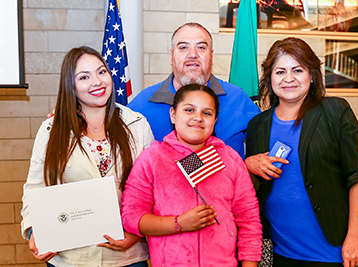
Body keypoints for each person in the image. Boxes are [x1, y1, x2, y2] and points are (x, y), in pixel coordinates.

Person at [21, 46, 154, 267]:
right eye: (84, 77)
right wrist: (35, 229)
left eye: (102, 72)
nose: (97, 81)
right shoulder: (51, 130)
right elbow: (35, 186)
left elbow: (153, 188)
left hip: (128, 255)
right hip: (72, 257)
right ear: (70, 86)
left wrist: (137, 234)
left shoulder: (137, 124)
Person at [245, 37, 358, 267]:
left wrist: (354, 235)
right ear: (270, 78)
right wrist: (247, 164)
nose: (288, 79)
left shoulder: (335, 111)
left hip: (332, 252)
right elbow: (249, 188)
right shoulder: (257, 125)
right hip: (278, 253)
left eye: (297, 70)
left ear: (311, 75)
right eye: (280, 71)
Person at [121, 84, 262, 266]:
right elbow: (132, 217)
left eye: (207, 113)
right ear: (173, 114)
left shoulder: (230, 159)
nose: (198, 118)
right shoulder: (152, 158)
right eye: (189, 110)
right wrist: (179, 223)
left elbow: (249, 220)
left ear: (215, 120)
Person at [127, 22, 260, 159]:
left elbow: (268, 137)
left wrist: (250, 163)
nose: (192, 54)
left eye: (201, 47)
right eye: (183, 47)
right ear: (172, 56)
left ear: (211, 56)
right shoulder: (142, 105)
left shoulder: (237, 99)